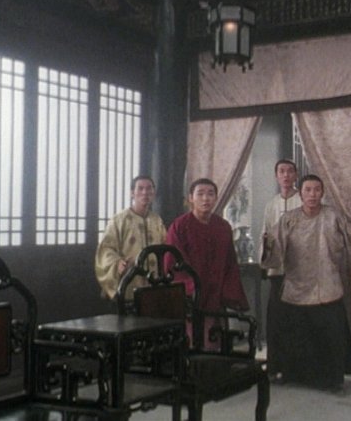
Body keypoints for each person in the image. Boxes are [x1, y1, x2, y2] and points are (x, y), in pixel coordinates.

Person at [263, 174, 351, 393]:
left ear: (323, 192)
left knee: (330, 337)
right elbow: (275, 248)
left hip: (327, 284)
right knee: (297, 336)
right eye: (308, 190)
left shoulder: (334, 216)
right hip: (297, 285)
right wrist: (268, 249)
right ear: (301, 194)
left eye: (317, 190)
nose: (312, 194)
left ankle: (332, 381)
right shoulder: (289, 219)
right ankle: (294, 376)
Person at [166, 178, 250, 346]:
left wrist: (227, 292)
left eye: (210, 194)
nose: (206, 198)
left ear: (216, 198)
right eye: (200, 194)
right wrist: (192, 289)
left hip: (216, 295)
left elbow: (230, 264)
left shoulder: (223, 227)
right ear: (191, 198)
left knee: (216, 342)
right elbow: (172, 263)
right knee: (192, 343)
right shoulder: (180, 226)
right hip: (190, 298)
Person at [259, 159, 302, 379]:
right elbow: (265, 234)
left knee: (297, 320)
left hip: (300, 272)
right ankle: (275, 366)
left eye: (290, 171)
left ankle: (296, 369)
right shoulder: (271, 205)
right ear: (276, 176)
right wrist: (265, 259)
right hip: (277, 271)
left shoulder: (303, 200)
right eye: (281, 171)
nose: (286, 175)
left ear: (296, 175)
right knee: (276, 319)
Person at [95, 175, 167, 300]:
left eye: (149, 189)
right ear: (132, 193)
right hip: (130, 279)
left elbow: (165, 245)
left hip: (155, 281)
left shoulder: (157, 220)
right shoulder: (119, 220)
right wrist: (117, 263)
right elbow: (106, 249)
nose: (145, 192)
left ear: (153, 193)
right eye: (140, 188)